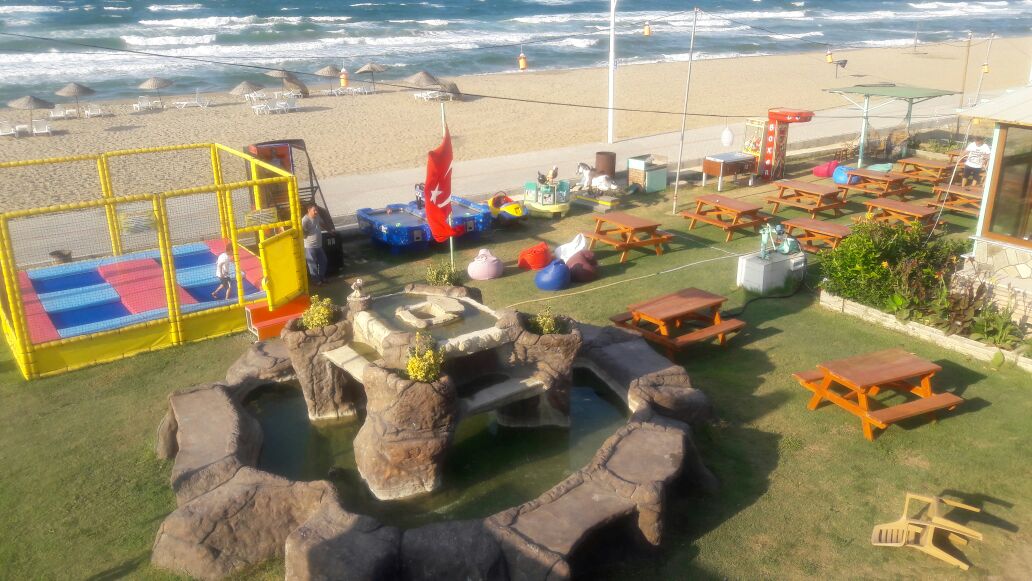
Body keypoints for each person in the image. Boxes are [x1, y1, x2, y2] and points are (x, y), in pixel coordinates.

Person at [302, 204, 328, 286]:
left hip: (318, 245)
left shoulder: (317, 216)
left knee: (323, 261)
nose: (316, 212)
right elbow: (302, 232)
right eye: (314, 210)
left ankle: (321, 277)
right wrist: (305, 233)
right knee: (312, 264)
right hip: (309, 247)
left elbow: (322, 224)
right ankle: (316, 281)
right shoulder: (305, 220)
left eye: (317, 210)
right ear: (309, 210)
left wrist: (330, 230)